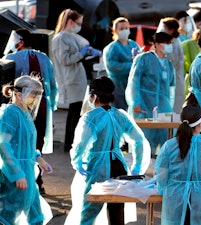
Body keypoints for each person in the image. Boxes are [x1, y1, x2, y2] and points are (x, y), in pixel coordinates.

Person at [67, 76, 151, 224]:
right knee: (116, 211)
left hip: (98, 167)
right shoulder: (120, 115)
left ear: (93, 96)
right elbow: (139, 140)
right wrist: (137, 167)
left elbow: (81, 144)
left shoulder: (90, 118)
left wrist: (77, 161)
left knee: (88, 212)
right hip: (119, 166)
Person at [3, 28, 58, 194]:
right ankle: (37, 181)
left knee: (18, 142)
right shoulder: (44, 57)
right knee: (36, 140)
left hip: (19, 106)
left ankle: (20, 177)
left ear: (20, 42)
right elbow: (53, 86)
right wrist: (52, 106)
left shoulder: (10, 58)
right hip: (42, 105)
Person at [0, 75, 53, 224]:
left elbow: (25, 143)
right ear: (18, 93)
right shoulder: (10, 113)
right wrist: (17, 174)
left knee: (36, 214)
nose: (36, 98)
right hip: (15, 173)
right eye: (33, 93)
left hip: (27, 172)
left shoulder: (25, 113)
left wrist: (38, 158)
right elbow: (3, 144)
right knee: (10, 214)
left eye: (38, 93)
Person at [51, 9, 101, 152]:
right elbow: (65, 59)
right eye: (78, 23)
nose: (79, 26)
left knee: (77, 111)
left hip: (76, 77)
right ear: (70, 22)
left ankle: (73, 142)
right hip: (70, 79)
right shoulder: (61, 38)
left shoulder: (71, 36)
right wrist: (81, 53)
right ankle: (70, 143)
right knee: (75, 111)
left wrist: (88, 52)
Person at [125, 32, 175, 155]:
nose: (169, 46)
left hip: (164, 110)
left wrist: (170, 109)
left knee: (165, 146)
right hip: (144, 108)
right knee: (144, 145)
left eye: (170, 43)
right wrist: (135, 102)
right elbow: (133, 82)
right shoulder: (144, 59)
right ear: (156, 44)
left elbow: (171, 89)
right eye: (166, 43)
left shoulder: (169, 65)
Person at [103, 17, 141, 111]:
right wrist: (132, 65)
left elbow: (141, 62)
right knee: (119, 114)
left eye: (126, 28)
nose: (124, 31)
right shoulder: (112, 48)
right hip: (118, 87)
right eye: (121, 29)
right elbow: (112, 67)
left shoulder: (134, 45)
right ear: (115, 31)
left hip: (132, 85)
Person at [157, 17, 185, 114]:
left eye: (164, 28)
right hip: (174, 82)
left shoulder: (172, 45)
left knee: (171, 113)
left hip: (173, 83)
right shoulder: (174, 42)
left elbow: (170, 65)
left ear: (171, 30)